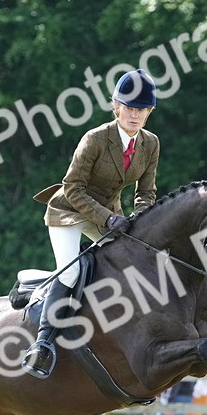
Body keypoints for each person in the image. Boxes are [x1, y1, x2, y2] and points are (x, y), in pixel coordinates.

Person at [22, 68, 161, 379]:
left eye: (142, 109)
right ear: (117, 107)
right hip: (69, 212)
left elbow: (146, 192)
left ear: (149, 112)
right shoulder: (96, 139)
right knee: (71, 270)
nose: (135, 115)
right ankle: (43, 343)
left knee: (132, 261)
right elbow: (72, 187)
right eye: (129, 108)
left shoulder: (150, 144)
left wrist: (142, 221)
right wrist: (109, 218)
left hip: (111, 213)